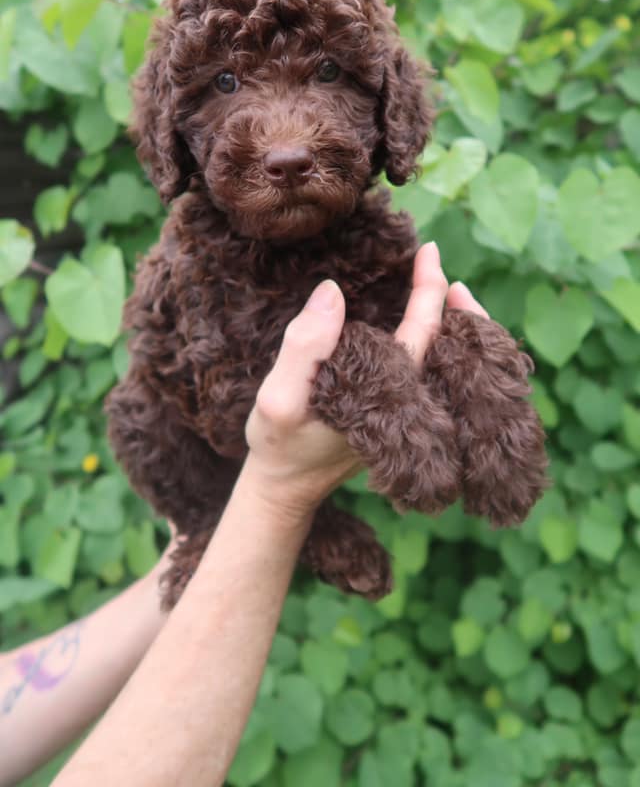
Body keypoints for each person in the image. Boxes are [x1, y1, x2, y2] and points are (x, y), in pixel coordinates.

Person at [0, 243, 488, 787]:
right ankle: (234, 534)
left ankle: (209, 543)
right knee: (134, 421)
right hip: (204, 448)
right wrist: (279, 493)